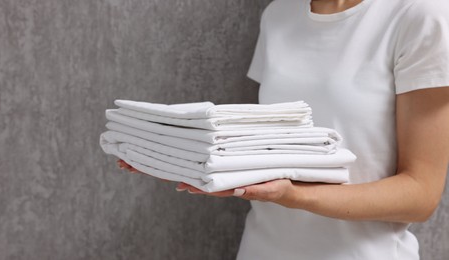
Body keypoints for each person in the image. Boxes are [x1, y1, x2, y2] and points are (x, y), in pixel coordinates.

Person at [118, 0, 449, 259]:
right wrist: (186, 160)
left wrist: (294, 195)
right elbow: (267, 145)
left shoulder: (419, 15)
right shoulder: (278, 14)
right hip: (261, 250)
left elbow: (420, 195)